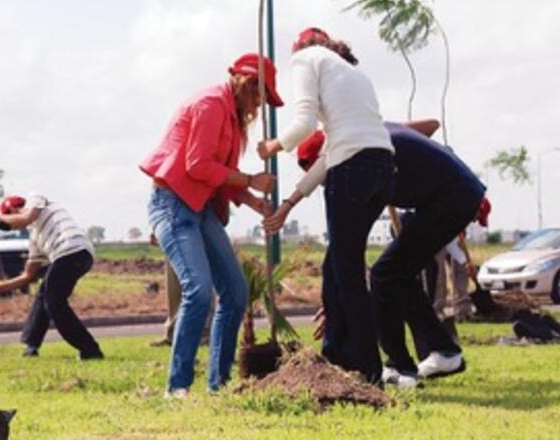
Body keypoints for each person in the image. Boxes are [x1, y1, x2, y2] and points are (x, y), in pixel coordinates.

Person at [266, 120, 488, 385]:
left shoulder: (364, 159)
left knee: (386, 273)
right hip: (458, 193)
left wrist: (342, 291)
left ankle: (400, 367)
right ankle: (442, 351)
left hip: (450, 198)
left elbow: (350, 242)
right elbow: (427, 127)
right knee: (396, 274)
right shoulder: (374, 132)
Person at [258, 27, 394, 385]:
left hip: (352, 171)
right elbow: (331, 153)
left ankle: (367, 369)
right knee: (335, 266)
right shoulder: (353, 73)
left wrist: (273, 146)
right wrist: (289, 203)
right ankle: (336, 354)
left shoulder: (305, 59)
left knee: (346, 273)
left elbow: (303, 124)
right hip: (381, 169)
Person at [141, 52, 277, 397]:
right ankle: (178, 387)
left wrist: (249, 198)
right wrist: (250, 179)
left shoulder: (231, 116)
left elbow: (217, 177)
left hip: (202, 209)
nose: (260, 103)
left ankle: (220, 384)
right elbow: (198, 165)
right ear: (247, 83)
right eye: (261, 94)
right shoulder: (211, 104)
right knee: (198, 290)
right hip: (173, 205)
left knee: (235, 292)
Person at [0, 194, 103, 360]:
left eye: (10, 225)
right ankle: (31, 345)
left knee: (54, 302)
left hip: (73, 250)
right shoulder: (35, 238)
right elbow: (27, 276)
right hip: (67, 257)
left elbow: (26, 218)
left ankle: (90, 350)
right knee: (44, 294)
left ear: (14, 210)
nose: (13, 229)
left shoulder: (36, 200)